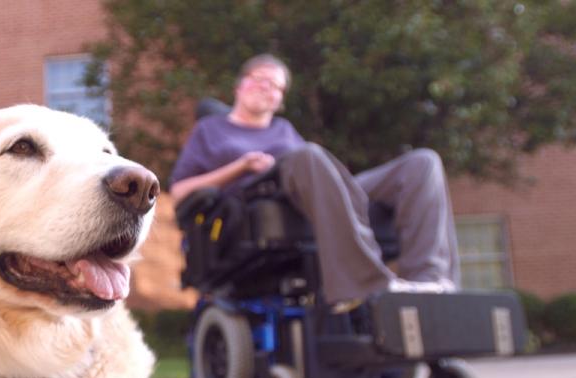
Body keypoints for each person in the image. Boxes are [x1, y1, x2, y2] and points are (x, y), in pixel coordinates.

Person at [170, 54, 460, 310]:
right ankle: (365, 283)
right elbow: (180, 191)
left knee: (423, 163)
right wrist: (240, 166)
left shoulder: (284, 129)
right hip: (257, 201)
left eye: (276, 86)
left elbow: (317, 170)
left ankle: (431, 280)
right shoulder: (210, 130)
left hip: (311, 193)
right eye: (259, 79)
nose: (266, 88)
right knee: (307, 155)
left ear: (280, 101)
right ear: (239, 86)